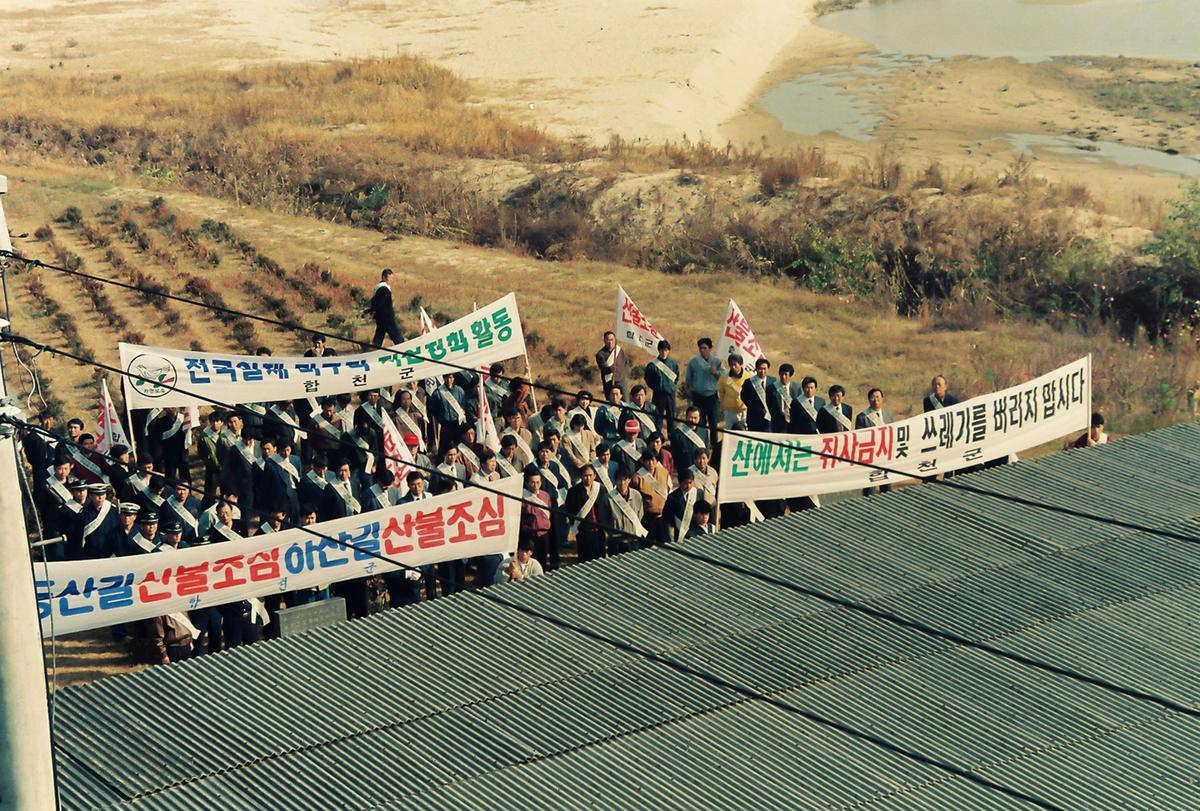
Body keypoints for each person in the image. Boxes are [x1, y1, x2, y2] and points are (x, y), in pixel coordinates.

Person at [565, 463, 610, 563]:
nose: (588, 478)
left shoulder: (600, 489)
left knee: (601, 559)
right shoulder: (573, 492)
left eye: (590, 475)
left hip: (599, 531)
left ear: (595, 476)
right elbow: (569, 510)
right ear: (581, 476)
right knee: (585, 560)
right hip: (584, 532)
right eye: (585, 475)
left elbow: (605, 507)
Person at [856, 387, 895, 495]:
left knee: (887, 487)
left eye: (878, 397)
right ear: (869, 400)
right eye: (873, 397)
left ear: (882, 398)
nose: (875, 399)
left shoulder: (889, 414)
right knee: (870, 488)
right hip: (871, 457)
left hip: (886, 456)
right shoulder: (862, 417)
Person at [632, 452, 671, 546]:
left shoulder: (663, 472)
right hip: (647, 518)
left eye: (653, 460)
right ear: (643, 461)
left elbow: (668, 489)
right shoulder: (637, 478)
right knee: (646, 546)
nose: (651, 463)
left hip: (662, 517)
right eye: (648, 461)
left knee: (666, 546)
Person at [685, 337, 722, 437]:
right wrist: (689, 391)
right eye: (700, 348)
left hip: (712, 397)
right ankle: (700, 445)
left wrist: (715, 373)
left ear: (710, 349)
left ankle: (714, 446)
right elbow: (688, 378)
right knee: (699, 423)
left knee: (713, 423)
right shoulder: (694, 362)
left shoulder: (716, 361)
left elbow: (723, 377)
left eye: (705, 348)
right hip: (698, 396)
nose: (702, 350)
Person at [606, 469, 646, 554]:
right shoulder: (609, 498)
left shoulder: (636, 495)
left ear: (629, 480)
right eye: (619, 480)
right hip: (616, 541)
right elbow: (604, 519)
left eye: (625, 480)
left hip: (633, 539)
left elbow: (640, 514)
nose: (622, 483)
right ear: (615, 481)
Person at [644, 339, 679, 435]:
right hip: (659, 395)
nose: (664, 352)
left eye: (666, 350)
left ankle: (671, 438)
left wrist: (671, 386)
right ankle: (657, 437)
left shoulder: (673, 364)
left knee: (671, 418)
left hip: (670, 395)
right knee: (658, 418)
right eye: (662, 350)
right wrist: (657, 387)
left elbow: (676, 377)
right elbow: (648, 379)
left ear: (669, 351)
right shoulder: (653, 365)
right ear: (659, 350)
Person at [77, 483, 121, 559]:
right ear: (91, 496)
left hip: (109, 554)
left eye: (103, 494)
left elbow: (117, 532)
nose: (100, 497)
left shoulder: (113, 511)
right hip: (89, 555)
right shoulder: (84, 512)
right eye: (97, 495)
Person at [519, 471, 553, 570]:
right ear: (527, 483)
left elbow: (549, 512)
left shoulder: (545, 495)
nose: (535, 485)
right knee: (529, 561)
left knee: (543, 561)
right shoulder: (522, 496)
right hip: (529, 534)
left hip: (543, 533)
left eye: (538, 482)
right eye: (533, 482)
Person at [365, 267, 404, 346]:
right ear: (384, 277)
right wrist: (372, 310)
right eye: (390, 278)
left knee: (379, 334)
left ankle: (375, 348)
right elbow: (380, 302)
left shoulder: (379, 288)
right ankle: (403, 350)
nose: (391, 280)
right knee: (396, 336)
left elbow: (376, 302)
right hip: (387, 317)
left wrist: (371, 310)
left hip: (381, 317)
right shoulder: (384, 289)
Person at [663, 467, 700, 543]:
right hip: (680, 534)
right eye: (685, 483)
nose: (688, 486)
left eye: (690, 483)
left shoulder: (699, 493)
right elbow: (667, 518)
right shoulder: (672, 497)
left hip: (696, 532)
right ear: (680, 482)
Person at [740, 357, 777, 432]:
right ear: (756, 369)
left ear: (768, 369)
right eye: (760, 368)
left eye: (764, 369)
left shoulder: (773, 381)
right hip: (754, 418)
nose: (762, 371)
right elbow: (744, 397)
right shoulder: (749, 382)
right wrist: (755, 408)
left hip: (770, 418)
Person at [718, 353, 750, 430]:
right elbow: (721, 392)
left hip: (744, 411)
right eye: (731, 365)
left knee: (745, 433)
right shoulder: (724, 377)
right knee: (730, 433)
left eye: (735, 365)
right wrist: (723, 405)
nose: (733, 367)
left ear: (741, 365)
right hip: (730, 411)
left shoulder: (748, 377)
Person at [770, 364, 798, 433]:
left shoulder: (797, 388)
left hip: (792, 422)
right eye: (781, 374)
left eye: (786, 375)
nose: (783, 377)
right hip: (777, 423)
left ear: (791, 375)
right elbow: (769, 404)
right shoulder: (772, 388)